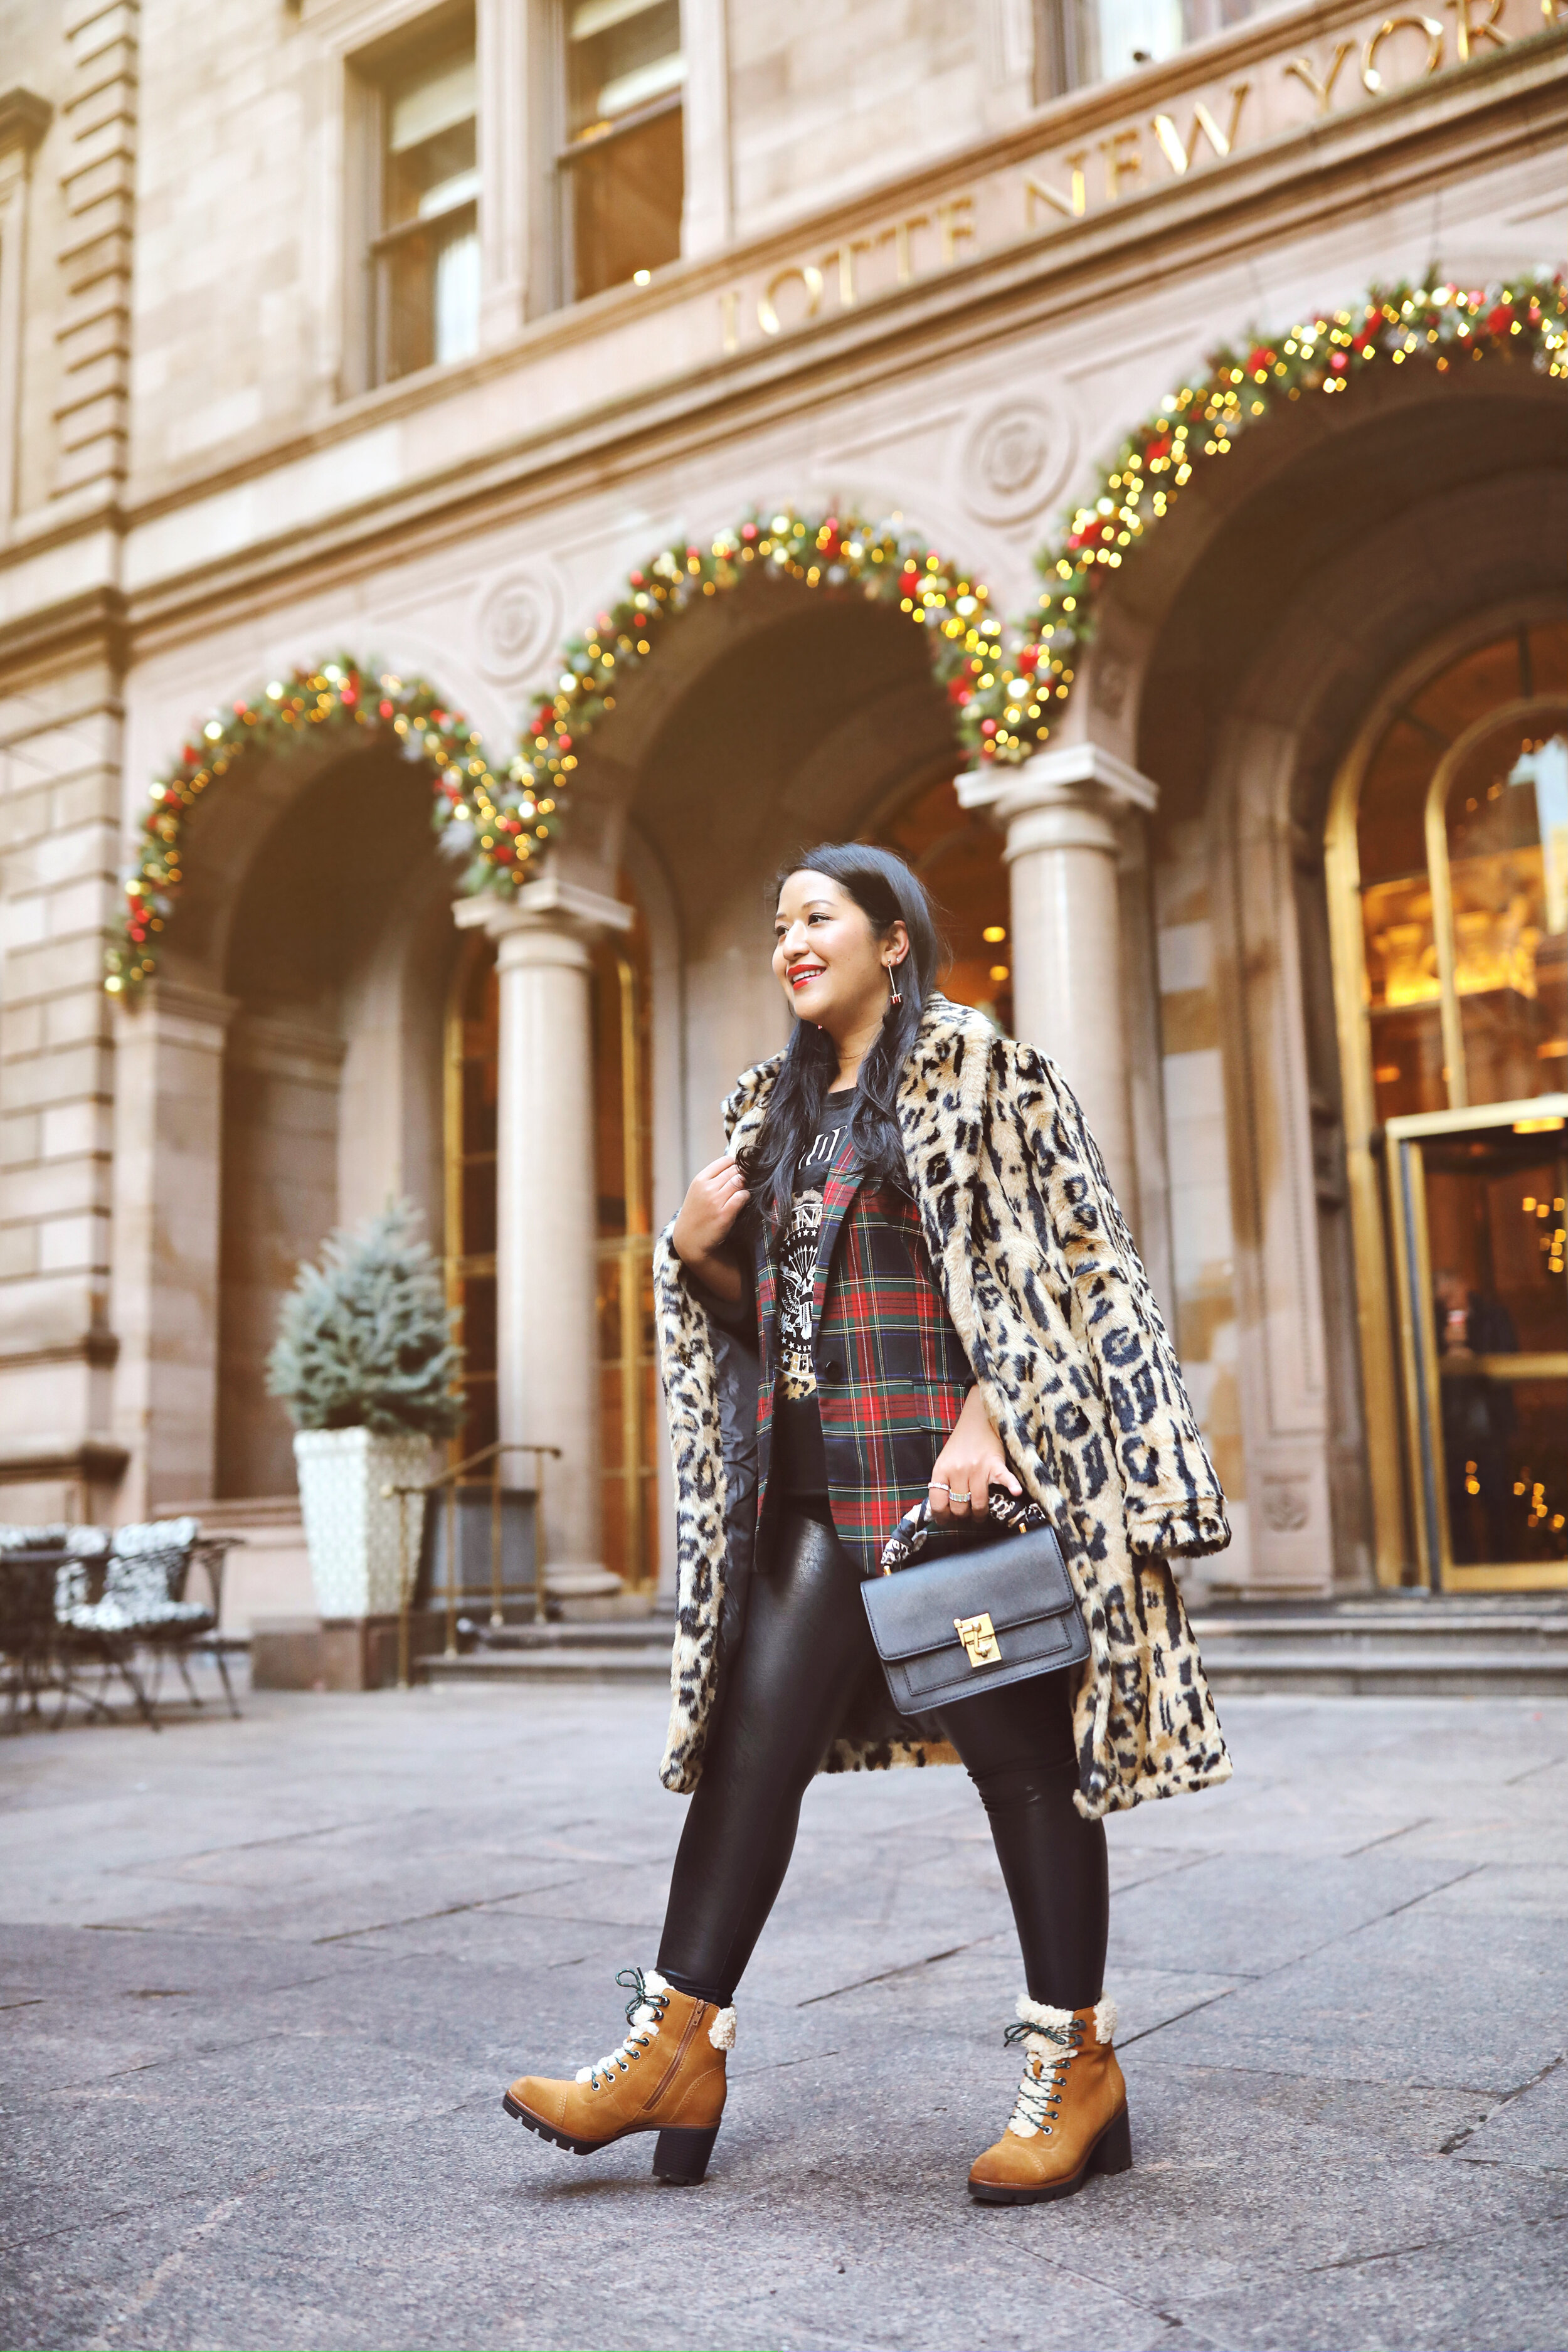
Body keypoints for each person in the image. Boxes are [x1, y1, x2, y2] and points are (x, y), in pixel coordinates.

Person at [504, 844, 1231, 2204]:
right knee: (745, 1764)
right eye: (776, 921)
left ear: (891, 940)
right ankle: (673, 2049)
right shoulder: (764, 1111)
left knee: (1024, 1773)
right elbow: (763, 1338)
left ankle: (1073, 2065)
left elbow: (1075, 1266)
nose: (790, 940)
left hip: (950, 1503)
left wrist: (993, 1414)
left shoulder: (980, 1072)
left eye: (817, 916)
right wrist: (696, 1252)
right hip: (807, 1501)